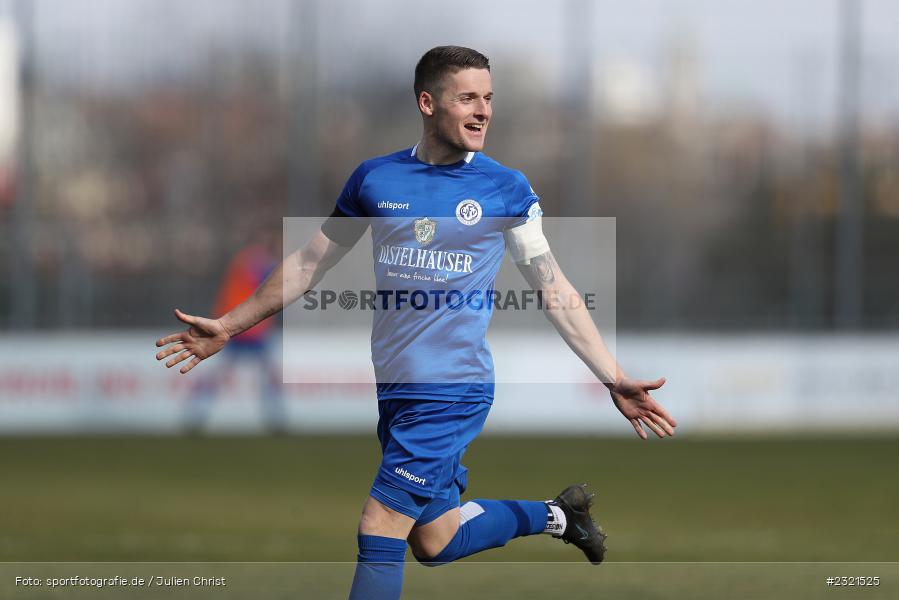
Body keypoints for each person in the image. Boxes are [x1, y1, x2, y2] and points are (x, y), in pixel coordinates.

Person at [155, 46, 676, 600]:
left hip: (451, 389)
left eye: (489, 99)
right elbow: (310, 263)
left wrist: (611, 375)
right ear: (428, 103)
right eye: (468, 98)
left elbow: (553, 287)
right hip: (399, 389)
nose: (483, 112)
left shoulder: (505, 188)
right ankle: (559, 517)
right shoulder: (374, 179)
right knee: (435, 540)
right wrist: (231, 325)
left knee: (379, 525)